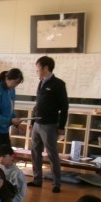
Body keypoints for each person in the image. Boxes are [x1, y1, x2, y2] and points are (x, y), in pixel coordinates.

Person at [28, 56, 69, 193]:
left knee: (52, 154)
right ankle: (37, 180)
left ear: (46, 68)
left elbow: (64, 107)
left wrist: (61, 126)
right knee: (35, 152)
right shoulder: (41, 82)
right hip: (37, 124)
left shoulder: (58, 84)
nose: (37, 71)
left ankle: (56, 183)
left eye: (38, 69)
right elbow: (37, 104)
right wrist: (32, 121)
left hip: (49, 125)